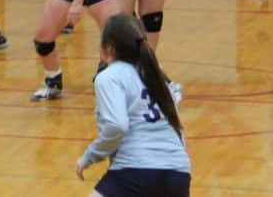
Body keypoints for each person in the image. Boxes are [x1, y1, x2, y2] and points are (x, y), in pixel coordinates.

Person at [75, 13, 191, 197]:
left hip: (136, 169)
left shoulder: (109, 76)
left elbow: (117, 125)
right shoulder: (158, 75)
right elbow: (177, 128)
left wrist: (90, 156)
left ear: (109, 47)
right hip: (178, 172)